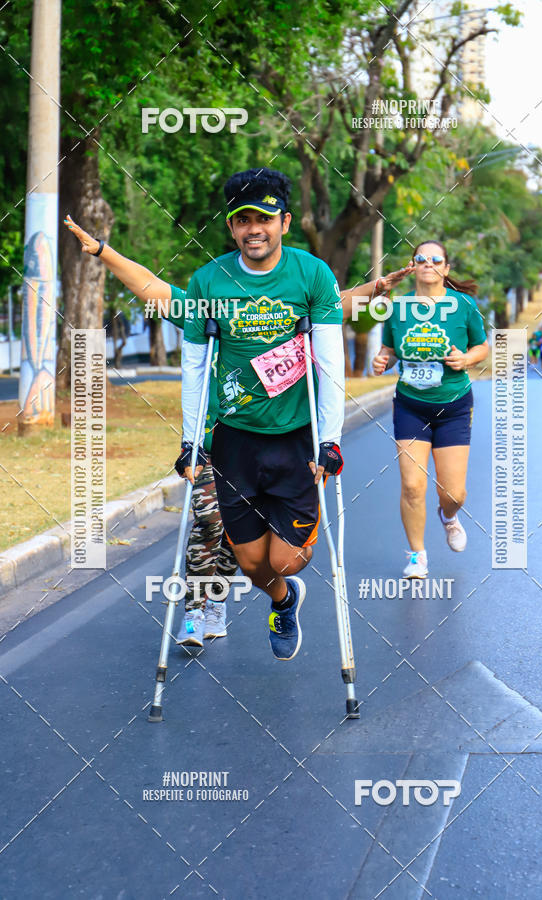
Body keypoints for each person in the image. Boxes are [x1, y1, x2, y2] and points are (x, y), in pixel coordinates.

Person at [181, 168, 346, 661]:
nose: (254, 229)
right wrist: (191, 441)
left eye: (264, 219)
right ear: (231, 227)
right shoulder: (207, 281)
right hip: (235, 439)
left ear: (285, 222)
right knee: (254, 565)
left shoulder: (312, 274)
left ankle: (287, 583)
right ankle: (281, 599)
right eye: (243, 220)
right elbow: (194, 365)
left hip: (297, 438)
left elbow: (331, 362)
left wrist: (330, 439)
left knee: (286, 558)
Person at [63, 215, 238, 647]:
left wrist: (375, 291)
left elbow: (333, 301)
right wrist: (104, 251)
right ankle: (194, 612)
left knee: (242, 533)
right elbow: (149, 285)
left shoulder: (277, 313)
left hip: (263, 440)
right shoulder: (202, 309)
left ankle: (218, 599)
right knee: (210, 522)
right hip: (211, 441)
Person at [372, 240, 488, 578]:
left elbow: (481, 346)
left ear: (446, 269)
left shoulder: (463, 305)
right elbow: (389, 349)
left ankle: (448, 516)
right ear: (413, 266)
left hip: (453, 407)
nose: (428, 263)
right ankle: (416, 556)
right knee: (411, 486)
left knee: (453, 493)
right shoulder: (398, 308)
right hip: (410, 406)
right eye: (421, 258)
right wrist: (383, 359)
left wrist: (466, 358)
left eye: (436, 259)